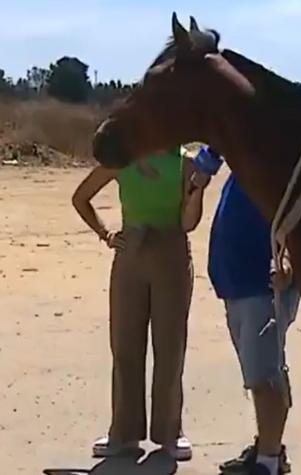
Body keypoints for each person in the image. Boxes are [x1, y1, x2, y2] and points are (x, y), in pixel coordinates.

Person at [71, 146, 210, 461]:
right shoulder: (122, 158)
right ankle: (123, 432)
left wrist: (196, 190)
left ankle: (171, 432)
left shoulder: (186, 163)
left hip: (171, 254)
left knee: (170, 348)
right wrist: (106, 234)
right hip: (130, 255)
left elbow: (188, 223)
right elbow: (81, 197)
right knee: (125, 347)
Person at [197, 146, 299, 475]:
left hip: (261, 285)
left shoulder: (277, 167)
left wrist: (287, 262)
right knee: (261, 373)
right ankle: (269, 448)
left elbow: (296, 221)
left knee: (265, 377)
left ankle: (268, 462)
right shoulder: (246, 166)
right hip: (239, 284)